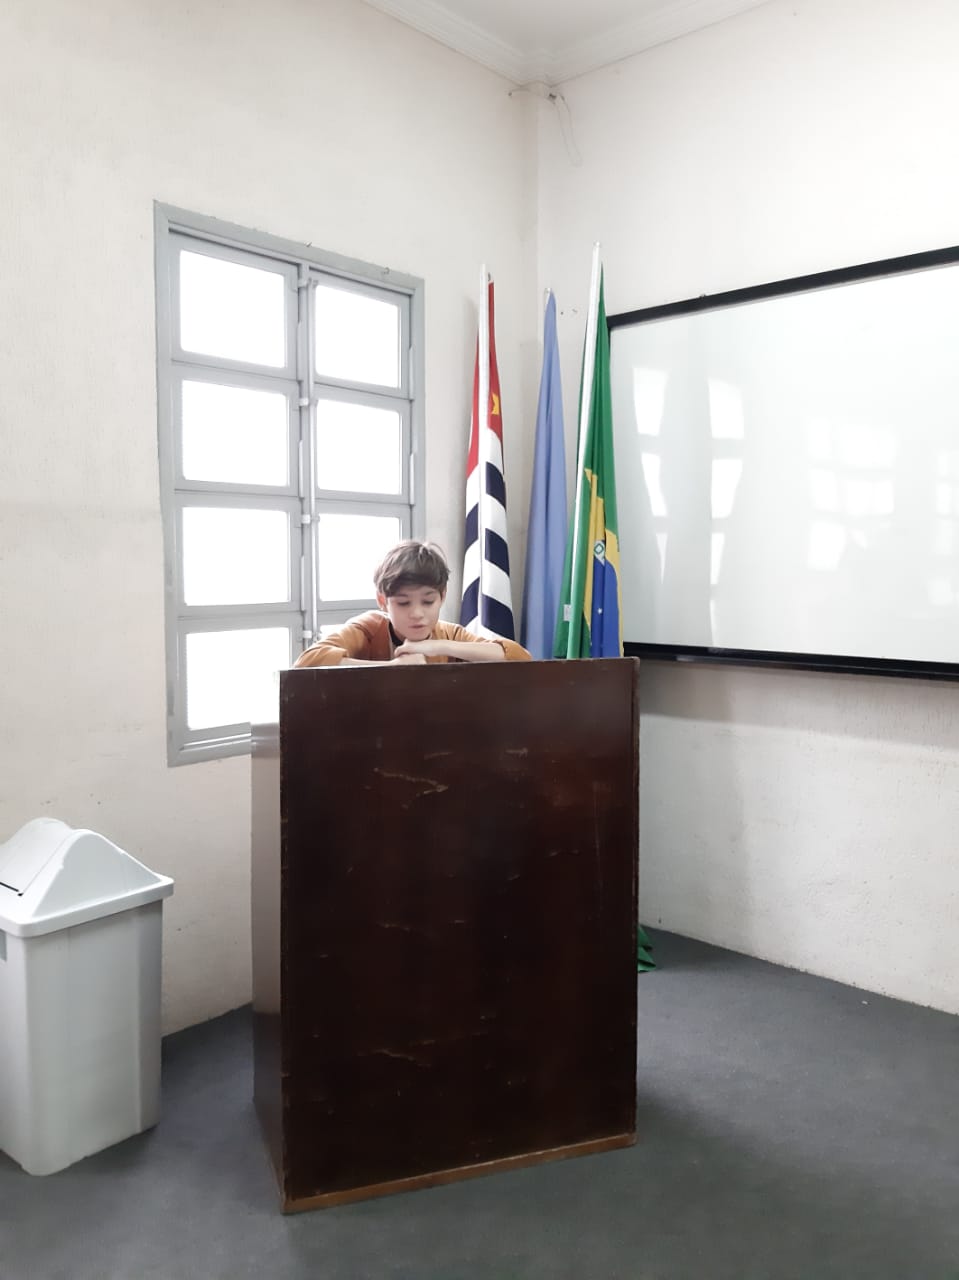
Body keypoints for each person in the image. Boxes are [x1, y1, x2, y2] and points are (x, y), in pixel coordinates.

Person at [293, 540, 532, 667]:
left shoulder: (448, 634)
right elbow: (309, 661)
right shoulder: (368, 628)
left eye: (428, 601)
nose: (417, 613)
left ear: (442, 596)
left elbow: (518, 657)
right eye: (403, 603)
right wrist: (393, 667)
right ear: (383, 601)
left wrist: (439, 647)